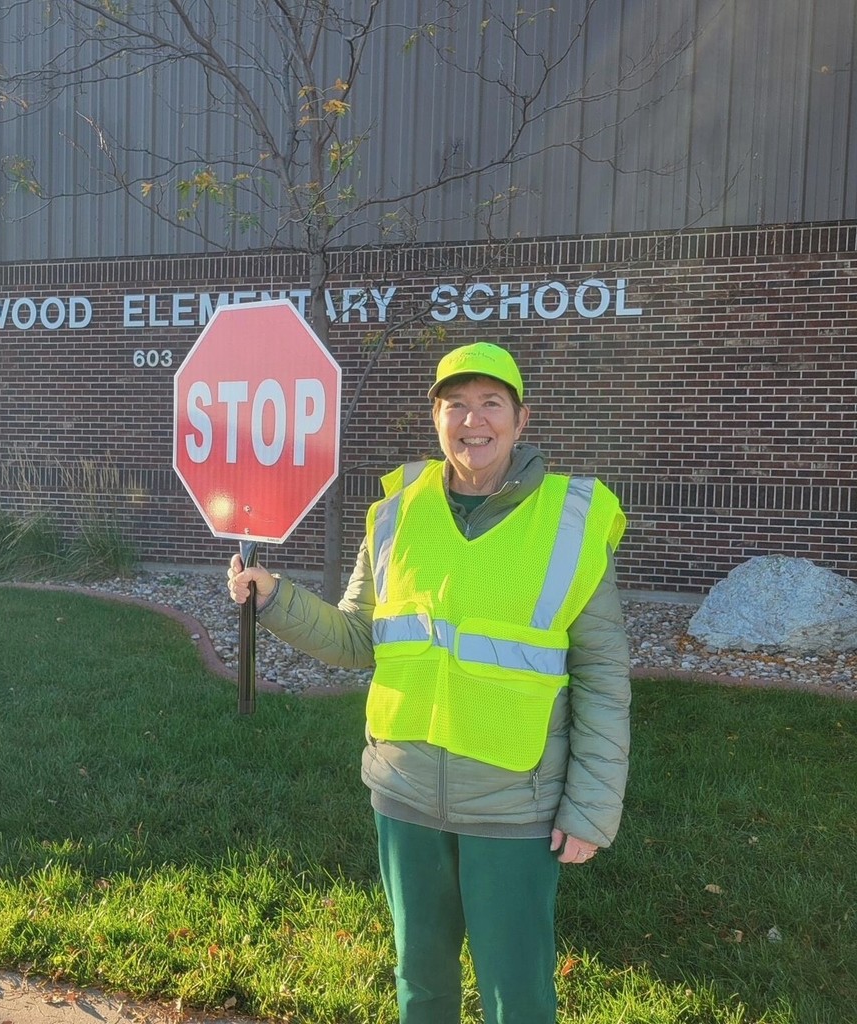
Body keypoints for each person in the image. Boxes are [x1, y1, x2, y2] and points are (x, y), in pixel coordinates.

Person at [227, 341, 631, 1024]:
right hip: (406, 793)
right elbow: (359, 636)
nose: (473, 421)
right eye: (456, 406)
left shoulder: (572, 522)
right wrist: (272, 598)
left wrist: (590, 807)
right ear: (437, 419)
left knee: (518, 993)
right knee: (420, 979)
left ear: (521, 418)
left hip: (514, 804)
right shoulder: (396, 512)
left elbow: (602, 674)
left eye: (490, 404)